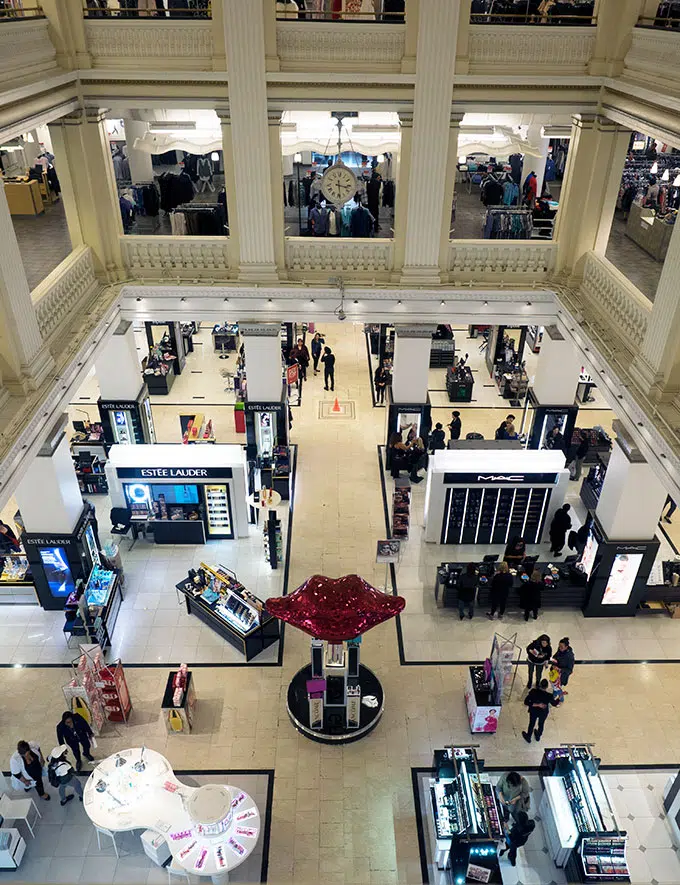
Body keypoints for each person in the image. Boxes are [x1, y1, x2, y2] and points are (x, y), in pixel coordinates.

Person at [522, 678, 561, 743]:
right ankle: (538, 736)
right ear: (547, 687)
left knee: (531, 723)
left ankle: (528, 736)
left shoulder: (533, 692)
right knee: (541, 724)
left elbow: (526, 702)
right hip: (543, 713)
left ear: (540, 685)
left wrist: (537, 705)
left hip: (534, 711)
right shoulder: (549, 696)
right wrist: (560, 697)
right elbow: (555, 703)